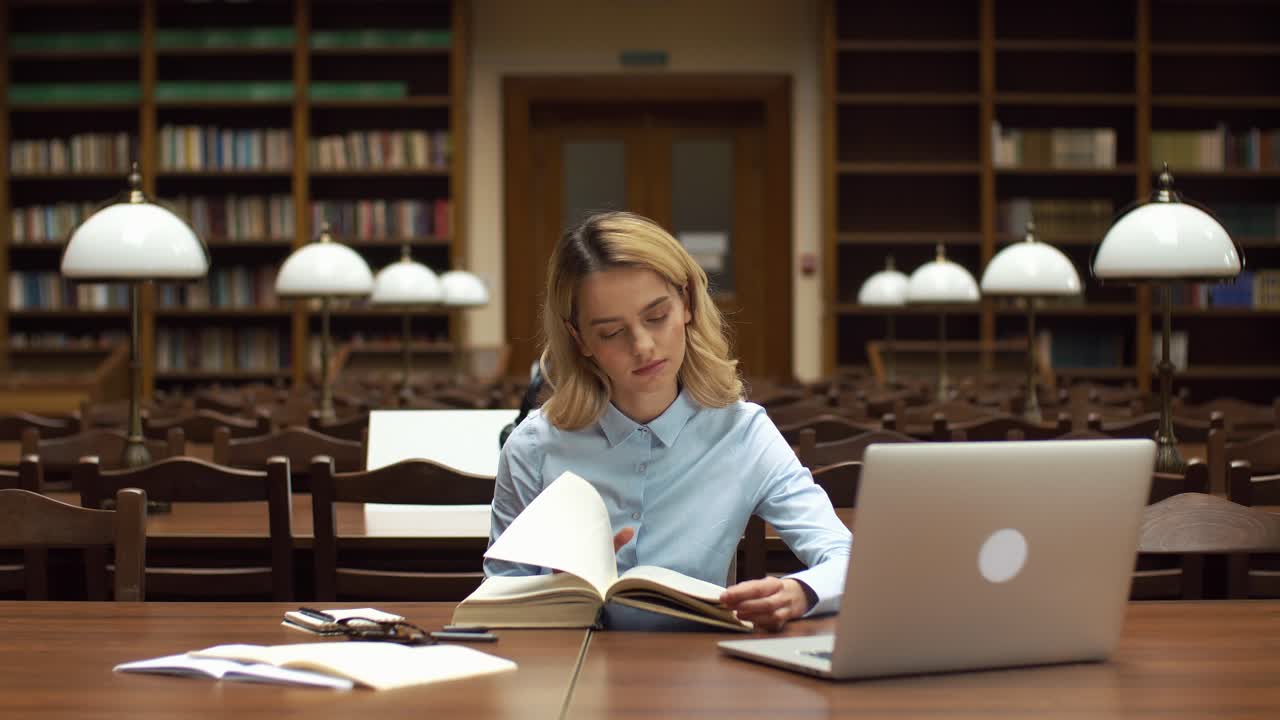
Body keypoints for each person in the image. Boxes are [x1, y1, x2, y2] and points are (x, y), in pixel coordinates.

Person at [485, 211, 851, 631]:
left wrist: (800, 592)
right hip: (573, 678)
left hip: (702, 677)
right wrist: (556, 592)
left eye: (657, 316)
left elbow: (845, 557)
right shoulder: (533, 447)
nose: (643, 346)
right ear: (579, 340)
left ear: (688, 304)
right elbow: (498, 600)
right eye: (610, 332)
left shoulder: (743, 433)